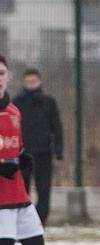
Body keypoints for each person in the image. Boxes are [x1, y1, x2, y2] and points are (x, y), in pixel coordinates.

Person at [0, 55, 46, 245]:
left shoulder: (15, 111)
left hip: (18, 195)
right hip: (0, 201)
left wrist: (23, 157)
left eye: (2, 72)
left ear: (8, 75)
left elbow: (14, 150)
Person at [12, 68, 63, 225]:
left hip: (44, 153)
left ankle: (41, 221)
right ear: (23, 83)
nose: (31, 85)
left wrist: (59, 148)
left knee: (44, 189)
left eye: (33, 81)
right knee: (22, 189)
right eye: (28, 82)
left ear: (39, 81)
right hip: (23, 154)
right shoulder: (17, 103)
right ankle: (24, 221)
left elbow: (57, 126)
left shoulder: (48, 102)